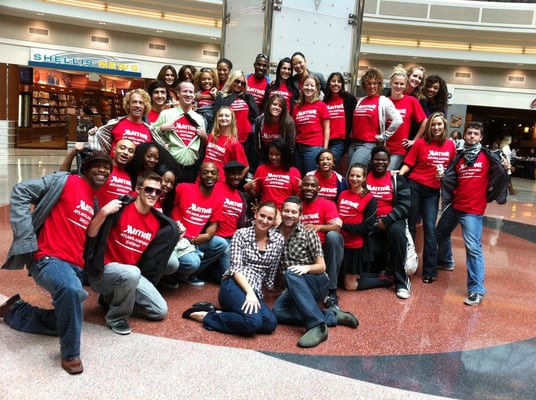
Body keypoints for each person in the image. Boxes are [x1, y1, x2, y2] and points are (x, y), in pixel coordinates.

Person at [1, 151, 113, 374]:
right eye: (97, 165)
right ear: (85, 169)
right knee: (70, 292)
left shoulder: (93, 201)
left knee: (67, 317)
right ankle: (71, 354)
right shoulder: (65, 181)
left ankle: (16, 311)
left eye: (106, 167)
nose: (103, 170)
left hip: (74, 266)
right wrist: (26, 238)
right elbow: (21, 191)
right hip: (47, 258)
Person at [85, 172, 179, 335]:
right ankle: (116, 317)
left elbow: (156, 252)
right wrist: (104, 212)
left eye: (158, 192)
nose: (153, 195)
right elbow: (91, 233)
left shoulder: (157, 221)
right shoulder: (120, 209)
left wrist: (176, 234)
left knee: (159, 311)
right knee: (132, 272)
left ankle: (110, 299)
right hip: (103, 273)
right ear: (138, 189)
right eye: (149, 189)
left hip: (130, 275)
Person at [183, 201, 284, 335]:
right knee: (252, 323)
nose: (265, 220)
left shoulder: (278, 240)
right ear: (255, 214)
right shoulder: (241, 234)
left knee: (269, 323)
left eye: (269, 218)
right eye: (262, 215)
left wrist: (268, 290)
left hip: (255, 290)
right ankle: (206, 316)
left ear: (274, 221)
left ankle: (222, 312)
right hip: (234, 284)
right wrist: (249, 292)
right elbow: (236, 268)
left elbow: (272, 270)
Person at [437, 121, 508, 306]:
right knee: (440, 234)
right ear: (464, 135)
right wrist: (444, 178)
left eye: (476, 134)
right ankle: (446, 260)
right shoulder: (459, 158)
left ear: (481, 137)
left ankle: (476, 290)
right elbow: (451, 178)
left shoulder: (488, 157)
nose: (472, 136)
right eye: (469, 133)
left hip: (473, 211)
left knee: (473, 248)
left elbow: (500, 175)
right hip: (455, 206)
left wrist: (506, 169)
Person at [272, 196, 358, 348]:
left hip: (315, 281)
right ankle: (331, 316)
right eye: (286, 211)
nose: (289, 215)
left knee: (290, 273)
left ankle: (317, 326)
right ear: (281, 211)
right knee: (278, 312)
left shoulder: (308, 233)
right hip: (292, 286)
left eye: (294, 212)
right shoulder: (273, 234)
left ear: (300, 215)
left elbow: (322, 267)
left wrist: (306, 268)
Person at [399, 112, 456, 284]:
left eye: (439, 124)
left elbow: (453, 170)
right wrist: (398, 177)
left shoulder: (450, 145)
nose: (436, 127)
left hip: (433, 192)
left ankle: (429, 271)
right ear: (429, 127)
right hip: (415, 187)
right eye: (433, 124)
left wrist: (445, 175)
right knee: (410, 227)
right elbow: (409, 163)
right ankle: (406, 264)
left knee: (430, 228)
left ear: (444, 126)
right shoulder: (420, 143)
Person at [169, 162, 229, 286]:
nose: (209, 175)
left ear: (218, 177)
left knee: (221, 244)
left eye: (213, 173)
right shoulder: (183, 188)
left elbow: (214, 224)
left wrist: (207, 236)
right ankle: (172, 277)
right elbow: (168, 206)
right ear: (199, 175)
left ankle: (188, 275)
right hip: (177, 238)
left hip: (196, 240)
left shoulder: (218, 198)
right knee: (193, 262)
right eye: (205, 172)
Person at [339, 163, 393, 292]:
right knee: (340, 280)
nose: (354, 178)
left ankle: (386, 280)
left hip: (355, 245)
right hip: (341, 243)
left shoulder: (369, 198)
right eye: (352, 175)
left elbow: (367, 227)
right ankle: (374, 275)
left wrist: (343, 226)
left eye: (358, 176)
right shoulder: (343, 194)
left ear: (364, 178)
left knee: (349, 286)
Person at [367, 146, 412, 298]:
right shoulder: (364, 177)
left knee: (397, 233)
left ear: (389, 161)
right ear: (372, 161)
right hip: (369, 221)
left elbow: (406, 204)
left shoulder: (396, 178)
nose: (380, 162)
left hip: (391, 220)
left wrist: (386, 221)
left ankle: (401, 281)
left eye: (384, 160)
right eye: (377, 159)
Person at [300, 175, 344, 309]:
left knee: (333, 236)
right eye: (306, 185)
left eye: (313, 185)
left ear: (319, 188)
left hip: (325, 248)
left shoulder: (327, 204)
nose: (309, 188)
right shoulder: (296, 205)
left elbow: (336, 227)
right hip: (304, 249)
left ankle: (332, 291)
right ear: (301, 186)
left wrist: (319, 227)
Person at [154, 81, 208, 183]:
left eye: (191, 92)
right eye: (185, 91)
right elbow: (151, 134)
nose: (188, 94)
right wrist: (161, 128)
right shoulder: (166, 114)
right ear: (178, 93)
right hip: (171, 166)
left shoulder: (199, 118)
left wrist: (205, 137)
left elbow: (203, 145)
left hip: (192, 169)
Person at [348, 67, 402, 167]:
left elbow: (398, 120)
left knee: (354, 171)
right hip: (354, 143)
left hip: (368, 144)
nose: (372, 86)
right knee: (356, 175)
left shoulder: (383, 100)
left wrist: (383, 136)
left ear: (379, 85)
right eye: (369, 83)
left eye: (375, 83)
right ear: (365, 85)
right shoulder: (361, 100)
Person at [89, 89, 164, 154]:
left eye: (141, 103)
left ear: (145, 107)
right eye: (134, 102)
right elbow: (100, 145)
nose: (137, 105)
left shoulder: (149, 130)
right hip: (115, 169)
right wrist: (95, 133)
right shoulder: (115, 124)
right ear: (128, 105)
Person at [214, 70, 259, 171]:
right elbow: (217, 117)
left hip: (246, 139)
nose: (239, 85)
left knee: (242, 168)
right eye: (237, 81)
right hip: (229, 139)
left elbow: (255, 115)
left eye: (243, 83)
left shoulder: (247, 97)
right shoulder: (222, 97)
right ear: (231, 80)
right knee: (228, 168)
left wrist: (248, 98)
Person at [387, 65, 427, 169]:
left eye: (420, 78)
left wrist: (414, 140)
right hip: (384, 145)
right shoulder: (386, 99)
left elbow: (424, 120)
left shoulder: (414, 100)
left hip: (402, 146)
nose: (399, 86)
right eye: (415, 76)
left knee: (389, 174)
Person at [243, 138, 301, 210]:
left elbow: (297, 198)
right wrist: (248, 188)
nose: (273, 157)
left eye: (277, 155)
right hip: (266, 209)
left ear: (284, 155)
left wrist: (302, 189)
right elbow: (255, 193)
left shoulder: (294, 172)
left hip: (285, 211)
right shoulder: (261, 169)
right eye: (271, 154)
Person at [292, 74, 330, 175]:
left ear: (317, 88)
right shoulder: (296, 107)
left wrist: (325, 149)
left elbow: (327, 128)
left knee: (311, 177)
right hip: (298, 148)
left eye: (312, 86)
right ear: (302, 87)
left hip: (313, 148)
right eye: (306, 85)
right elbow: (294, 128)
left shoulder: (321, 105)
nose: (309, 88)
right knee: (300, 177)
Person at [203, 106, 249, 181]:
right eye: (220, 115)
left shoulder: (234, 143)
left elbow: (246, 167)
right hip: (202, 178)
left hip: (219, 182)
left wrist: (235, 181)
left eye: (227, 116)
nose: (223, 118)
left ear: (232, 119)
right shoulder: (212, 136)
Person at [323, 72, 357, 163]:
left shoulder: (349, 99)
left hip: (339, 141)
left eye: (339, 81)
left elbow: (355, 120)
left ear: (342, 84)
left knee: (328, 163)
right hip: (325, 140)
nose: (336, 84)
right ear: (329, 83)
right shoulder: (325, 101)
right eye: (333, 81)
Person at [254, 94, 296, 160]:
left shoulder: (288, 122)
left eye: (280, 106)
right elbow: (257, 142)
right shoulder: (259, 120)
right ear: (269, 105)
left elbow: (290, 145)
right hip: (265, 155)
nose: (277, 107)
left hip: (282, 157)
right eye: (274, 104)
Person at [194, 67, 219, 131]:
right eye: (203, 79)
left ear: (213, 80)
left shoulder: (217, 93)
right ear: (199, 81)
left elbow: (220, 107)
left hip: (213, 122)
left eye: (209, 79)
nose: (206, 81)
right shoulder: (196, 93)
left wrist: (214, 96)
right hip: (200, 120)